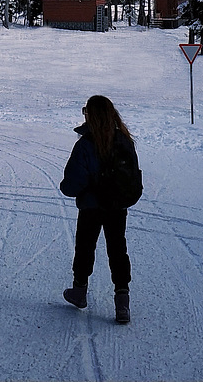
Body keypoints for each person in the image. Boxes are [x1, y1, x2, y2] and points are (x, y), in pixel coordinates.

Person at [60, 94, 138, 324]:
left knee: (85, 246)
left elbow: (71, 184)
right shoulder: (125, 141)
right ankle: (122, 301)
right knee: (117, 248)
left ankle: (79, 291)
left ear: (91, 115)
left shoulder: (85, 144)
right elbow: (133, 177)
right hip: (117, 206)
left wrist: (76, 187)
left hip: (91, 207)